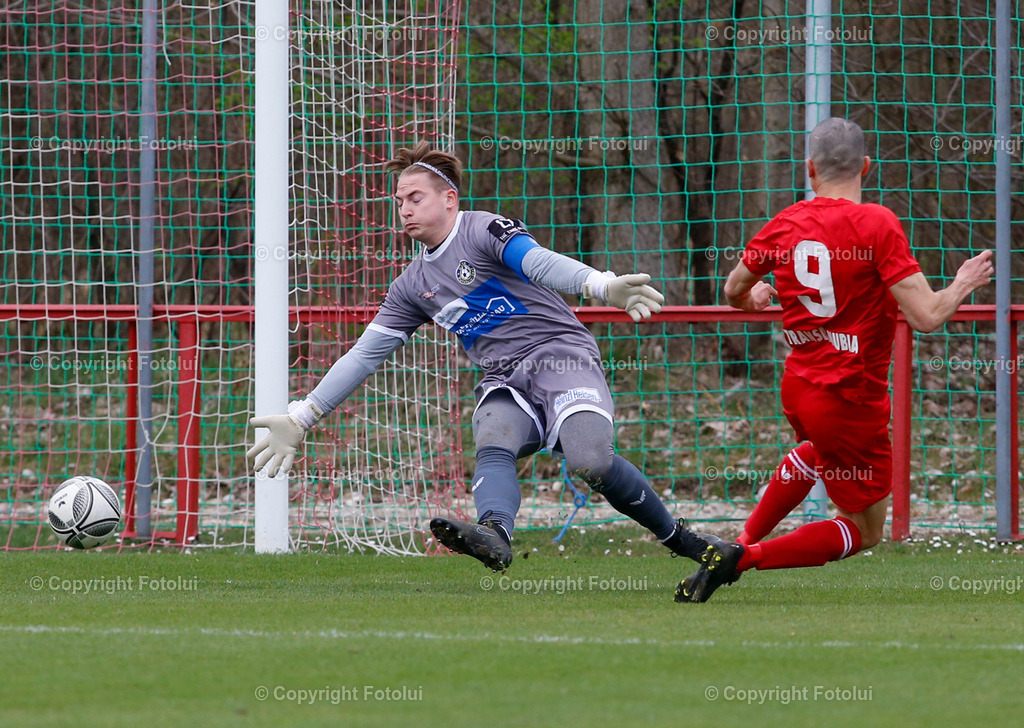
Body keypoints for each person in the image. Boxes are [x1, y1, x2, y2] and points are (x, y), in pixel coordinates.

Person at [248, 141, 713, 572]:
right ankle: (495, 534)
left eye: (414, 198)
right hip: (504, 377)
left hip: (559, 357)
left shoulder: (483, 228)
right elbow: (365, 356)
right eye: (398, 201)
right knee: (492, 437)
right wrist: (303, 415)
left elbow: (538, 262)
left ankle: (684, 542)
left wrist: (601, 285)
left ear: (449, 199)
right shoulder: (411, 286)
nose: (404, 209)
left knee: (590, 462)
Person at [676, 117, 995, 603]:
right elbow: (927, 316)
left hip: (799, 390)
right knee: (865, 531)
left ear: (809, 170)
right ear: (867, 166)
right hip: (849, 400)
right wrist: (963, 283)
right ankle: (745, 557)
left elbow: (733, 288)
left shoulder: (786, 223)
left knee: (817, 454)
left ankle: (736, 544)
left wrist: (757, 298)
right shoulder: (876, 223)